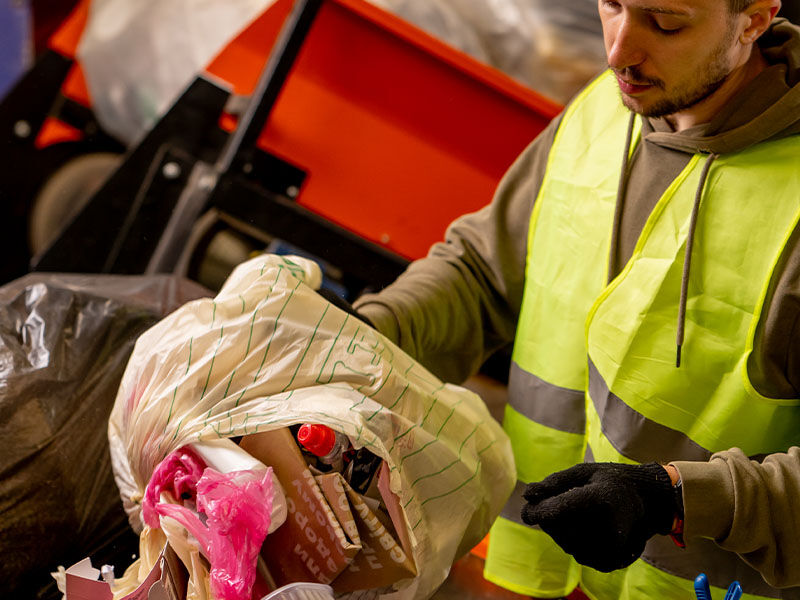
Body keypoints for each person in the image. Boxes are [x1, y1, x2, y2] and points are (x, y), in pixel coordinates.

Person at [353, 0, 800, 598]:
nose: (618, 51)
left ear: (753, 19)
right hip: (541, 574)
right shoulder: (604, 112)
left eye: (666, 22)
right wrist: (357, 342)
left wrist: (672, 499)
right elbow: (484, 271)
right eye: (612, 5)